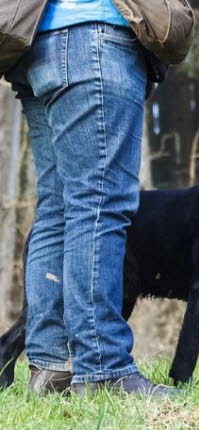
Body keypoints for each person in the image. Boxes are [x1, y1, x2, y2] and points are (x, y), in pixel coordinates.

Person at [4, 0, 180, 397]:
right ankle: (102, 367)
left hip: (35, 42)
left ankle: (52, 366)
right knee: (98, 206)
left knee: (60, 206)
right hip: (92, 36)